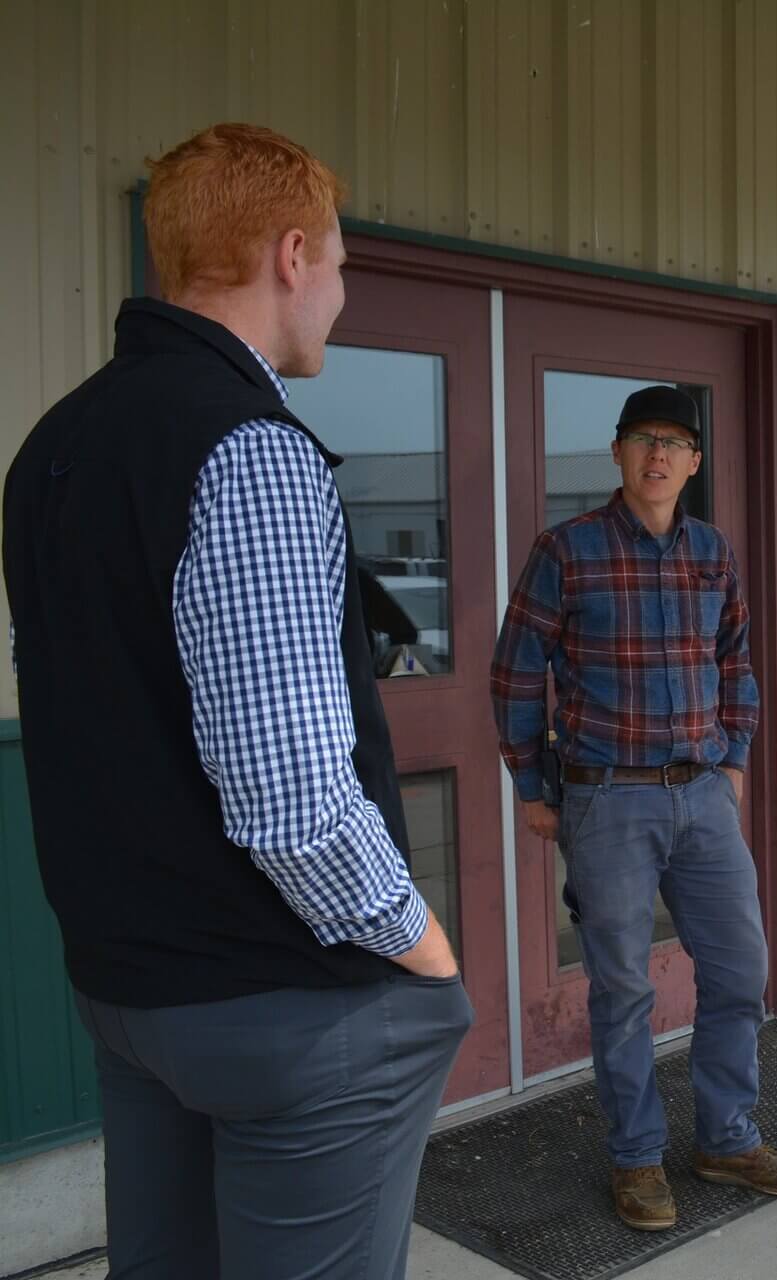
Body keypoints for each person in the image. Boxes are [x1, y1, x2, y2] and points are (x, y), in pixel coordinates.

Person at [2, 123, 472, 1278]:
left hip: (130, 988)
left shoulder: (54, 446)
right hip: (289, 1008)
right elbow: (293, 797)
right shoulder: (249, 449)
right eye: (342, 265)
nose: (342, 297)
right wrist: (422, 946)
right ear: (291, 256)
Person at [491, 384, 777, 1232]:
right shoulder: (567, 550)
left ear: (694, 461)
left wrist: (733, 760)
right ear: (619, 453)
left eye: (673, 442)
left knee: (740, 970)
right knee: (624, 989)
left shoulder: (712, 551)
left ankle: (727, 1138)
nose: (657, 454)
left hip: (702, 794)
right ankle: (636, 1157)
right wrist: (531, 785)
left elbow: (735, 659)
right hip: (607, 800)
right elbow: (516, 671)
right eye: (643, 439)